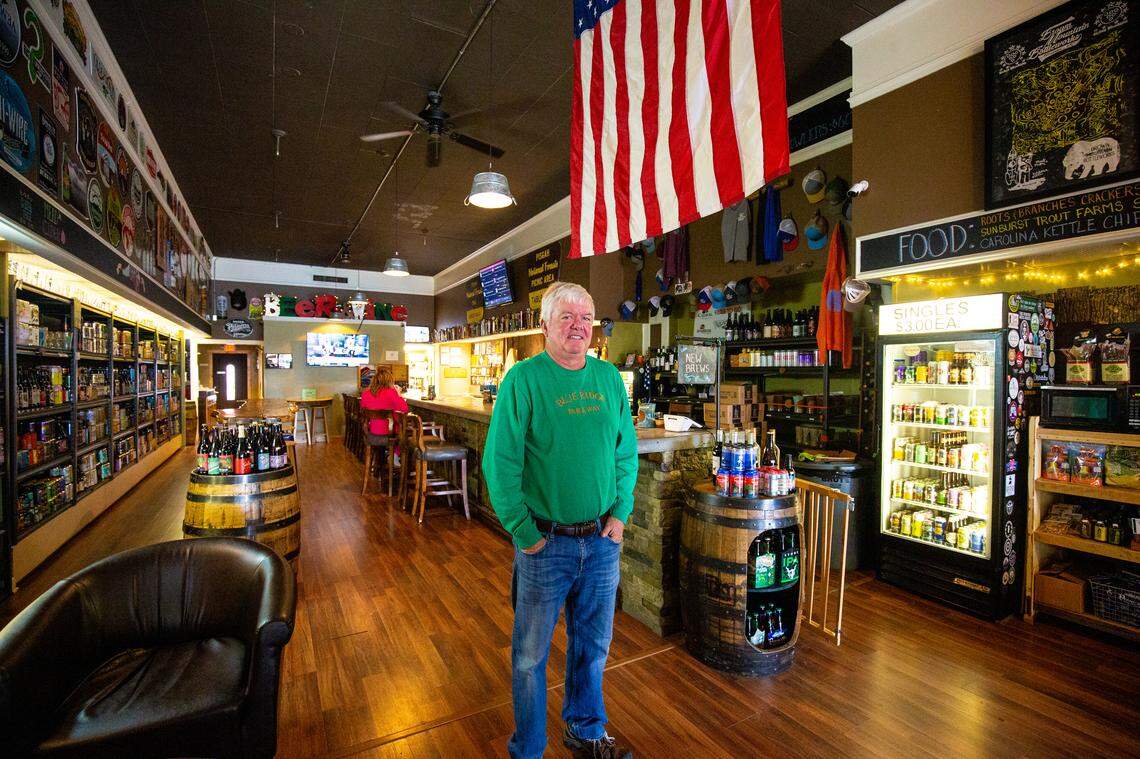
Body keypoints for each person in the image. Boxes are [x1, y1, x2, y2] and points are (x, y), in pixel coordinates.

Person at [483, 282, 638, 759]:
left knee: (592, 647)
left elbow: (625, 452)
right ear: (545, 325)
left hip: (600, 543)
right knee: (530, 657)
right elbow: (500, 461)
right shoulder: (524, 379)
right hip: (545, 545)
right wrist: (523, 532)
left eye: (585, 317)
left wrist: (621, 513)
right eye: (566, 316)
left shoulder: (610, 379)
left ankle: (587, 732)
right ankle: (528, 749)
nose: (578, 325)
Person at [359, 364, 407, 436]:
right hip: (390, 431)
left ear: (374, 380)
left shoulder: (365, 394)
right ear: (390, 381)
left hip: (370, 430)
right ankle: (396, 447)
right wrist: (399, 394)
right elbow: (404, 409)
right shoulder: (392, 393)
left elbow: (362, 410)